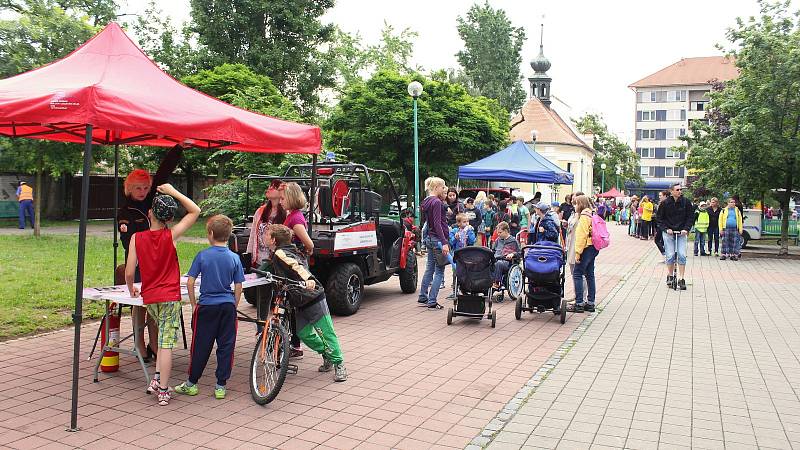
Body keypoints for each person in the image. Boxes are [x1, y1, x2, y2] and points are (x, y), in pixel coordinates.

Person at [125, 184, 200, 406]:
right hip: (169, 296)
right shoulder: (171, 235)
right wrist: (174, 192)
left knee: (160, 338)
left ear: (150, 213)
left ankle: (157, 379)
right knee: (166, 344)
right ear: (168, 218)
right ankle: (165, 391)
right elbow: (195, 210)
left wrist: (131, 289)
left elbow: (129, 272)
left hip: (150, 298)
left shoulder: (136, 239)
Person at [117, 145, 183, 361]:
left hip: (156, 265)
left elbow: (164, 173)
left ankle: (154, 344)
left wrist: (179, 148)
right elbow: (130, 244)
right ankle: (139, 344)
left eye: (146, 188)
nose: (143, 192)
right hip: (138, 265)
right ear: (129, 188)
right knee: (140, 308)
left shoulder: (150, 201)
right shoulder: (125, 212)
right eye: (138, 188)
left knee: (155, 306)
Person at [266, 224, 348, 381]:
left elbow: (297, 267)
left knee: (326, 332)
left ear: (274, 239)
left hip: (312, 296)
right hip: (298, 300)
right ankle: (327, 354)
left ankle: (339, 364)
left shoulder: (282, 253)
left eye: (267, 234)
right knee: (303, 333)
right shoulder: (282, 251)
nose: (264, 236)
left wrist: (309, 279)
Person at [177, 215, 245, 400]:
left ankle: (192, 383)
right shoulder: (234, 258)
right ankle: (220, 385)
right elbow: (239, 285)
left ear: (211, 234)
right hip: (227, 306)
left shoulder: (202, 255)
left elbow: (190, 282)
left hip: (206, 306)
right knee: (226, 346)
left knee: (200, 345)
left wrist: (193, 304)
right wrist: (234, 303)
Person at [282, 182, 314, 357]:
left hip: (295, 268)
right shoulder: (293, 215)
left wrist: (303, 253)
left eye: (283, 198)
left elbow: (309, 243)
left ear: (292, 198)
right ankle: (294, 342)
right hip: (292, 266)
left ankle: (296, 344)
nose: (281, 201)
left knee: (295, 307)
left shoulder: (295, 218)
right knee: (292, 307)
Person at [418, 177, 449, 309]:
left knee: (429, 268)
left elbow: (427, 223)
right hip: (437, 240)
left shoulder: (426, 201)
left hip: (430, 238)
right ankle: (432, 300)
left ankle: (423, 296)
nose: (443, 189)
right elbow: (437, 223)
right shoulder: (436, 202)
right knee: (439, 271)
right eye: (443, 187)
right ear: (436, 187)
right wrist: (444, 242)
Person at [656, 183, 694, 290]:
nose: (679, 191)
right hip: (669, 231)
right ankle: (670, 275)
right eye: (677, 190)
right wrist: (666, 229)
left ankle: (681, 278)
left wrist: (686, 229)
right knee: (670, 255)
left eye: (680, 189)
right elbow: (659, 219)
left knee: (682, 254)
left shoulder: (686, 202)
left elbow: (690, 217)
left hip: (681, 232)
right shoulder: (665, 203)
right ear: (672, 191)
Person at [246, 179, 287, 268]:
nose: (269, 188)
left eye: (274, 187)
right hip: (258, 261)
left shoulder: (286, 213)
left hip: (277, 262)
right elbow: (253, 235)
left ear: (281, 192)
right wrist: (249, 255)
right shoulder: (260, 211)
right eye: (269, 186)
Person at [570, 195, 597, 313]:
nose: (575, 206)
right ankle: (590, 303)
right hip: (593, 247)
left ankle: (579, 303)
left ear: (580, 204)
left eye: (576, 203)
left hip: (586, 248)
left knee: (577, 273)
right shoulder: (591, 213)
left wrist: (577, 253)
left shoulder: (584, 217)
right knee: (590, 274)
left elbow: (581, 236)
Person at [491, 221, 520, 300]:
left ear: (506, 231)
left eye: (500, 232)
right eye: (498, 232)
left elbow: (519, 253)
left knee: (499, 264)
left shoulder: (513, 241)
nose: (498, 234)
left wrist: (513, 254)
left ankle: (496, 283)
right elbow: (493, 250)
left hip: (507, 262)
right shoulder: (498, 240)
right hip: (496, 259)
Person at [654, 191, 668, 257]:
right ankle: (665, 254)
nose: (659, 197)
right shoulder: (661, 203)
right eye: (659, 196)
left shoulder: (666, 204)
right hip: (661, 224)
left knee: (658, 240)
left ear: (665, 196)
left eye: (660, 195)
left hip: (663, 225)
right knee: (662, 240)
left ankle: (665, 254)